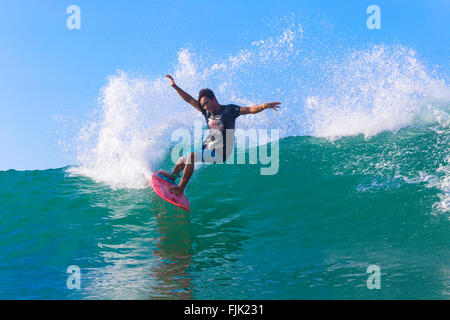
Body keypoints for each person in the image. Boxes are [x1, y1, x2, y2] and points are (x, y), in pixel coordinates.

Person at [161, 74, 281, 196]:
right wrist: (175, 86)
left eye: (206, 103)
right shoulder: (206, 112)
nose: (205, 107)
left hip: (221, 152)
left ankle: (180, 189)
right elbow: (189, 99)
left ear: (214, 99)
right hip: (208, 146)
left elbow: (249, 109)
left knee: (191, 157)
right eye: (203, 105)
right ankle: (173, 177)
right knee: (183, 159)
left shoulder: (229, 110)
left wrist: (264, 106)